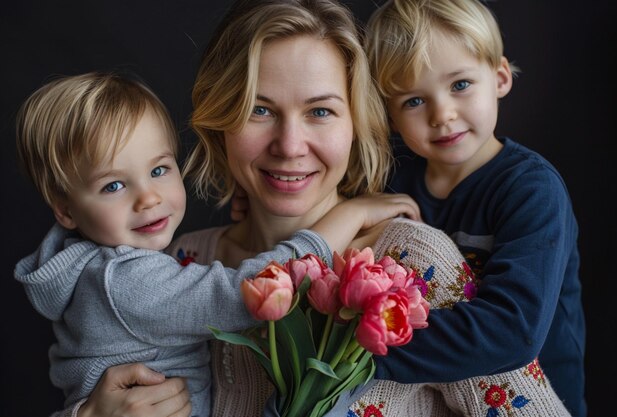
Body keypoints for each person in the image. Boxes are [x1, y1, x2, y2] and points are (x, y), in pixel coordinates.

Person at [49, 0, 575, 416]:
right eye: (259, 110)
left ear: (359, 125)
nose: (290, 144)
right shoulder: (178, 263)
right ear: (219, 119)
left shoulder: (410, 261)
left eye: (320, 111)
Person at [14, 71, 420, 417]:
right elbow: (250, 291)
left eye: (159, 169)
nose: (149, 198)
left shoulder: (104, 266)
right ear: (66, 211)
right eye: (114, 185)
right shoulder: (123, 279)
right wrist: (346, 217)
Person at [362, 0, 585, 416]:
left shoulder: (531, 190)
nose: (442, 115)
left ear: (499, 78)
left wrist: (364, 353)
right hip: (433, 400)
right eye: (413, 101)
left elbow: (512, 330)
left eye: (460, 84)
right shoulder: (391, 183)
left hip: (528, 399)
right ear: (390, 115)